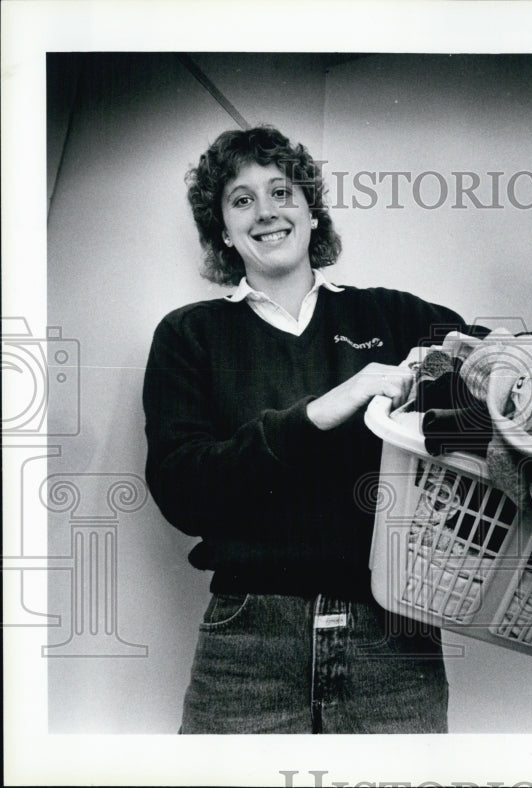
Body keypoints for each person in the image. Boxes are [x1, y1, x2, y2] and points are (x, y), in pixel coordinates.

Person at [142, 125, 470, 734]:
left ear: (312, 213)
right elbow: (182, 490)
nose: (266, 212)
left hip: (393, 634)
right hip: (247, 642)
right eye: (242, 200)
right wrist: (320, 411)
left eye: (282, 192)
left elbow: (511, 366)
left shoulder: (393, 316)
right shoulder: (190, 335)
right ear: (222, 229)